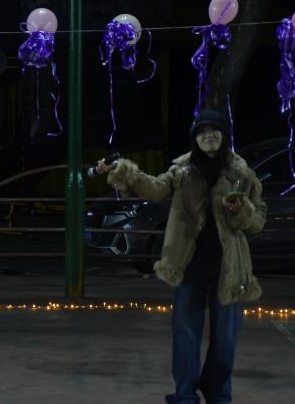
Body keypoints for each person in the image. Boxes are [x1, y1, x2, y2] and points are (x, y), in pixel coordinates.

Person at [96, 109, 267, 404]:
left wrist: (243, 211)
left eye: (214, 130)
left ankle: (218, 393)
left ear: (224, 135)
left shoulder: (243, 173)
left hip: (230, 266)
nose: (208, 136)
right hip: (189, 264)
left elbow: (258, 221)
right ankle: (185, 395)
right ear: (194, 139)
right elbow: (154, 189)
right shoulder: (182, 170)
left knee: (226, 339)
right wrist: (124, 170)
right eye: (202, 132)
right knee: (185, 332)